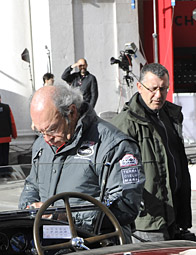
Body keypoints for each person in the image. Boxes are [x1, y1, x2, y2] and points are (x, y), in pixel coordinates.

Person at [19, 84, 143, 231]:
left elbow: (125, 205)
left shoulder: (112, 144)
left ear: (71, 112)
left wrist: (66, 216)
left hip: (96, 244)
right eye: (39, 131)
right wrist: (28, 208)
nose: (47, 139)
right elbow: (32, 185)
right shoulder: (42, 144)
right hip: (48, 242)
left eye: (52, 129)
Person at [110, 62, 195, 242]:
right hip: (147, 221)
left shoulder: (171, 116)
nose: (159, 95)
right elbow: (115, 176)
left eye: (163, 89)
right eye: (153, 89)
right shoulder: (125, 124)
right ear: (139, 87)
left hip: (174, 215)